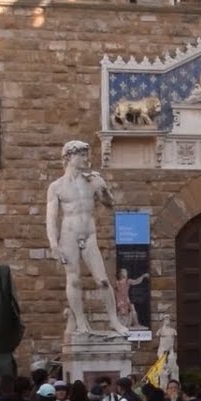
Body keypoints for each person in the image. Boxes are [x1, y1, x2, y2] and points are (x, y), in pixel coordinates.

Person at [45, 140, 130, 336]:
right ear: (69, 157)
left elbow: (110, 204)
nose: (86, 158)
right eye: (81, 155)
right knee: (74, 280)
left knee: (102, 280)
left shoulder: (92, 181)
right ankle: (81, 323)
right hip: (69, 236)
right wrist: (53, 244)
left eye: (86, 154)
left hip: (89, 236)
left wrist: (103, 187)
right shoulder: (56, 186)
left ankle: (114, 321)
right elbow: (50, 217)